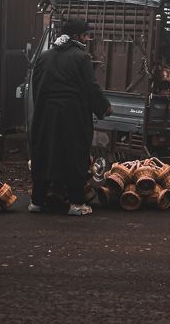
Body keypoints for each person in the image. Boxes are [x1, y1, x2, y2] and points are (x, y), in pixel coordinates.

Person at [29, 17, 111, 216]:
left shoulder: (44, 56)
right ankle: (76, 203)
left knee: (45, 156)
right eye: (85, 35)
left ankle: (37, 202)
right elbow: (91, 87)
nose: (86, 39)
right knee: (74, 157)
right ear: (76, 36)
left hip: (45, 117)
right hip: (72, 118)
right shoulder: (81, 57)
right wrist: (104, 107)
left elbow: (36, 86)